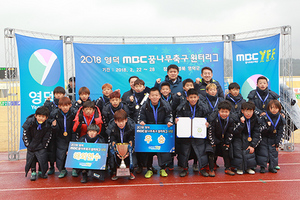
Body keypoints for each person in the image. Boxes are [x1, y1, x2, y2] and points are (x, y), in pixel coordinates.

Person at [138, 87, 173, 178]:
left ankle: (162, 168)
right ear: (149, 96)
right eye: (152, 95)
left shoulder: (165, 105)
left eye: (156, 95)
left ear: (159, 96)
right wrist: (142, 122)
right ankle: (149, 169)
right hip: (149, 132)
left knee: (163, 150)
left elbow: (168, 115)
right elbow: (141, 116)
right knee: (148, 151)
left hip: (162, 131)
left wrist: (168, 122)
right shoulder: (144, 105)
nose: (154, 97)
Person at [175, 89, 209, 177]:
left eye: (195, 97)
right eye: (191, 97)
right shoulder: (181, 107)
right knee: (184, 151)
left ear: (198, 97)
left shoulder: (203, 107)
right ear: (187, 98)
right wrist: (177, 120)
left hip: (198, 134)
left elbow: (207, 117)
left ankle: (202, 168)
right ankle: (184, 168)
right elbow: (178, 116)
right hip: (185, 134)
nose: (193, 99)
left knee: (201, 151)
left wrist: (207, 123)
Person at [50, 97, 77, 178]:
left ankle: (75, 168)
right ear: (59, 106)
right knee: (60, 154)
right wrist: (54, 126)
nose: (65, 107)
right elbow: (51, 124)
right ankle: (62, 169)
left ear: (70, 105)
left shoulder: (74, 113)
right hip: (60, 136)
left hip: (71, 134)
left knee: (73, 152)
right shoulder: (55, 114)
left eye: (67, 105)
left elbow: (76, 126)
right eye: (63, 106)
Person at [231, 101, 261, 175]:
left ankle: (249, 167)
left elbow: (257, 132)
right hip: (238, 138)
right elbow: (234, 132)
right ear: (242, 111)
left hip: (249, 137)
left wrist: (253, 145)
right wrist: (241, 124)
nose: (248, 113)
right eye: (246, 111)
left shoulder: (255, 119)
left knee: (249, 151)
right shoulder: (236, 117)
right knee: (238, 153)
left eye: (250, 111)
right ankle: (239, 167)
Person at [22, 106, 51, 181]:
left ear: (46, 118)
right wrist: (28, 145)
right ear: (35, 116)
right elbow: (25, 134)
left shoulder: (47, 125)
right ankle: (33, 172)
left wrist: (44, 145)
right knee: (32, 159)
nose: (41, 118)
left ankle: (42, 171)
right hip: (31, 145)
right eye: (39, 116)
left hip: (41, 145)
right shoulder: (29, 122)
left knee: (43, 159)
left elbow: (47, 136)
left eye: (43, 117)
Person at [206, 101, 235, 176]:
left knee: (226, 149)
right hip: (214, 139)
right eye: (222, 111)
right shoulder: (213, 119)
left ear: (229, 112)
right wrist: (212, 142)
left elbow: (230, 132)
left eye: (226, 112)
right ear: (218, 111)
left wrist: (227, 142)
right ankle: (211, 169)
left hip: (223, 140)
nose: (224, 114)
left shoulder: (231, 120)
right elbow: (210, 132)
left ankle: (227, 168)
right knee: (211, 151)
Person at [256, 100, 285, 173]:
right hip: (264, 138)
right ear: (269, 108)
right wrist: (267, 126)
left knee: (273, 153)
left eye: (276, 108)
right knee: (263, 153)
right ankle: (262, 167)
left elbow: (280, 131)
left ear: (279, 109)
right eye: (272, 108)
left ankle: (272, 167)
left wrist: (278, 142)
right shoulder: (264, 117)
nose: (274, 110)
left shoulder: (281, 118)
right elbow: (260, 129)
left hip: (273, 138)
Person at [106, 109, 135, 180]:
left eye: (122, 121)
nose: (121, 124)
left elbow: (132, 139)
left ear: (126, 120)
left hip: (127, 149)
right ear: (115, 121)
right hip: (117, 149)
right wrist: (115, 150)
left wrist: (129, 150)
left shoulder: (131, 128)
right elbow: (112, 140)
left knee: (133, 157)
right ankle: (114, 172)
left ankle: (130, 171)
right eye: (119, 122)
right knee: (112, 155)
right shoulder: (112, 128)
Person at [43, 86, 65, 175]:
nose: (58, 95)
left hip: (62, 132)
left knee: (61, 152)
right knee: (51, 151)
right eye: (56, 94)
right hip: (52, 132)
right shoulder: (50, 104)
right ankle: (51, 167)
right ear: (54, 95)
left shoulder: (66, 103)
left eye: (60, 93)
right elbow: (45, 116)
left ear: (64, 94)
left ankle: (62, 168)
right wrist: (46, 103)